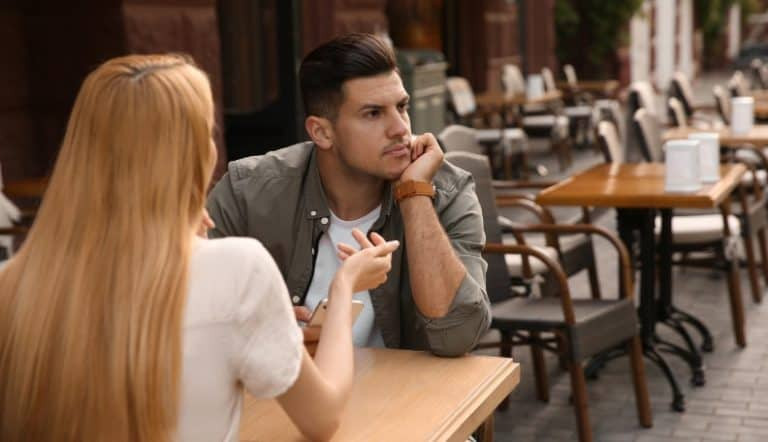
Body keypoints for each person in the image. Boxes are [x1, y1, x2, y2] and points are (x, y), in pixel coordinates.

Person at [0, 54, 399, 442]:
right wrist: (344, 288)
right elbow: (323, 417)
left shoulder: (13, 283)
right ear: (190, 156)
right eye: (207, 132)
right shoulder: (238, 269)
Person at [207, 33, 490, 357]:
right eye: (373, 113)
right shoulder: (247, 192)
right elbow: (185, 312)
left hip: (403, 387)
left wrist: (414, 194)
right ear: (321, 132)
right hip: (286, 382)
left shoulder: (445, 191)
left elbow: (458, 335)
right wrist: (254, 327)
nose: (400, 128)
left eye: (402, 107)